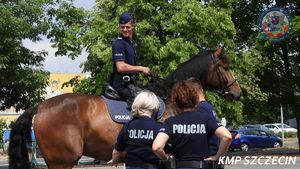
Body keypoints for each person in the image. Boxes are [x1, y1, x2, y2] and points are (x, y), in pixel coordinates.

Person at [152, 80, 232, 169]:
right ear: (195, 99)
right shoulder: (205, 118)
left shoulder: (171, 122)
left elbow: (157, 147)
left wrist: (167, 159)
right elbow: (227, 136)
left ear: (175, 102)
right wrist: (217, 157)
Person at [107, 90, 162, 169]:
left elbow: (116, 151)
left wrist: (114, 160)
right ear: (154, 107)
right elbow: (160, 148)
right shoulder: (158, 127)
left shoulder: (128, 126)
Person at [110, 12, 150, 103]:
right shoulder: (118, 43)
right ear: (119, 27)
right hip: (121, 85)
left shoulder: (131, 44)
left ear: (133, 26)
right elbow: (120, 67)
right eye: (122, 27)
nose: (125, 29)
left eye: (127, 27)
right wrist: (141, 68)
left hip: (131, 84)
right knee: (145, 104)